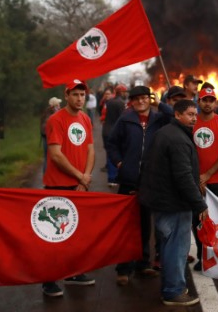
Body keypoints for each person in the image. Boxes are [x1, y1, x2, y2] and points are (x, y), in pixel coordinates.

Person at [140, 99, 206, 307]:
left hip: (163, 201)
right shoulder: (177, 139)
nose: (194, 118)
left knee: (170, 246)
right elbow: (183, 176)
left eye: (195, 114)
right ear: (177, 115)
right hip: (174, 203)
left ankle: (171, 288)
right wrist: (199, 204)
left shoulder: (166, 133)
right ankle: (173, 291)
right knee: (176, 248)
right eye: (189, 114)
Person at [106, 85, 173, 285]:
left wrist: (159, 103)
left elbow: (173, 116)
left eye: (145, 98)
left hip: (150, 180)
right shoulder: (125, 120)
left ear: (149, 99)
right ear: (132, 101)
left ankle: (143, 264)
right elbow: (112, 143)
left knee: (145, 224)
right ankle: (123, 268)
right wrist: (119, 162)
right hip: (128, 179)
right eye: (137, 99)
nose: (141, 101)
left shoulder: (158, 119)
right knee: (127, 225)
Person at [40, 80, 96, 297]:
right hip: (58, 185)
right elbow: (55, 154)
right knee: (55, 234)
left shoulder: (86, 119)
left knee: (77, 232)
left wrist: (85, 178)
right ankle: (49, 280)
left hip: (80, 184)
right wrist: (79, 176)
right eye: (75, 94)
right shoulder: (56, 120)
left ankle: (73, 273)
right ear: (66, 96)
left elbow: (90, 150)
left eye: (82, 94)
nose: (79, 98)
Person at [191, 86, 218, 270]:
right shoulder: (191, 122)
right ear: (199, 101)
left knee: (217, 221)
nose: (207, 103)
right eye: (204, 100)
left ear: (215, 102)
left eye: (210, 100)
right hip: (194, 182)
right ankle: (203, 257)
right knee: (198, 221)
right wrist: (196, 177)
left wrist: (208, 174)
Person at [100, 83, 127, 179]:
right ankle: (114, 177)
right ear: (122, 92)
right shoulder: (121, 103)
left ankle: (111, 177)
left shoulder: (109, 102)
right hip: (114, 131)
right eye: (125, 92)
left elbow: (102, 112)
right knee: (115, 154)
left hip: (105, 130)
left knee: (109, 152)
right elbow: (122, 119)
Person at [40, 97, 62, 174]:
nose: (59, 106)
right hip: (50, 137)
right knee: (53, 156)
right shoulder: (54, 113)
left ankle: (46, 175)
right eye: (58, 104)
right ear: (54, 105)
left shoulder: (46, 111)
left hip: (44, 136)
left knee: (46, 156)